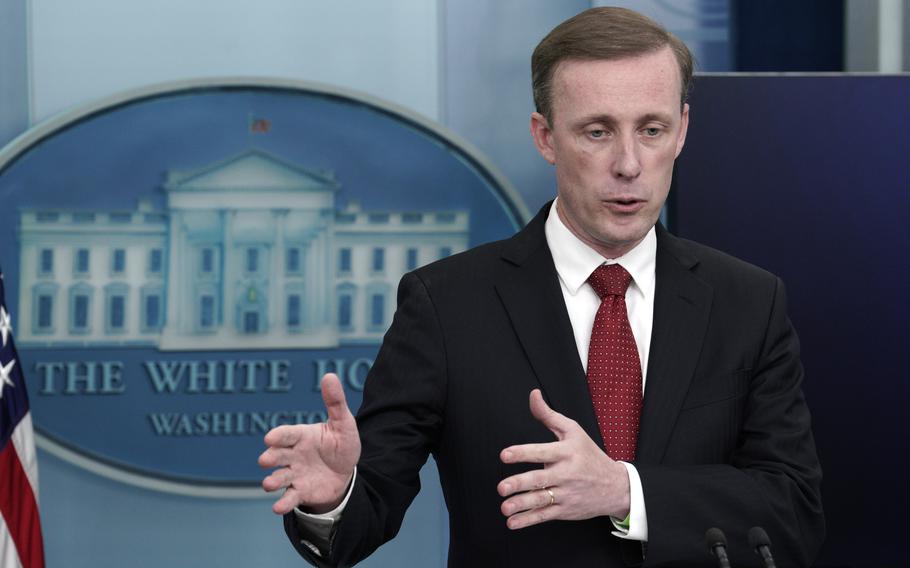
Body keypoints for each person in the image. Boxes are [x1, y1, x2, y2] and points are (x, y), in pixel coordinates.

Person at [258, 7, 824, 567]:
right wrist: (335, 496)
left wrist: (626, 491)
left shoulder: (748, 301)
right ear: (546, 137)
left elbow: (792, 512)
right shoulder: (447, 303)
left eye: (652, 130)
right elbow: (365, 515)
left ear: (682, 132)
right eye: (597, 131)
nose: (628, 164)